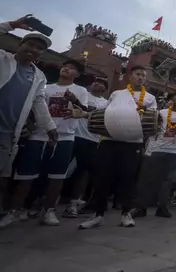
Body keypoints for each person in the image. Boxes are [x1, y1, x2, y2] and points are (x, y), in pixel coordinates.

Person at [5, 59, 87, 227]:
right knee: (26, 176)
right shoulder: (45, 88)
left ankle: (49, 210)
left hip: (65, 137)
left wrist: (75, 105)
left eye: (72, 68)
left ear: (77, 75)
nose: (66, 69)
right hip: (38, 135)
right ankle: (15, 211)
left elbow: (84, 112)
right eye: (65, 66)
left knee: (57, 177)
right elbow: (32, 109)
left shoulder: (80, 91)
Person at [79, 65, 157, 229]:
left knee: (128, 178)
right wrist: (85, 114)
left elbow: (152, 121)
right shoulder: (117, 94)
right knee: (102, 177)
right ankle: (98, 214)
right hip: (110, 139)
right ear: (130, 76)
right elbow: (106, 113)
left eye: (143, 75)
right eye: (138, 74)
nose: (141, 77)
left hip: (133, 142)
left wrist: (143, 113)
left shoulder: (149, 98)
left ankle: (126, 213)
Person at [0, 15, 58, 227]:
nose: (33, 50)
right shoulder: (3, 58)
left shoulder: (39, 76)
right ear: (20, 44)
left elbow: (39, 102)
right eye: (30, 44)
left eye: (38, 48)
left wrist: (50, 127)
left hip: (7, 133)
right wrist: (13, 25)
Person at [132, 92, 176, 218]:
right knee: (148, 178)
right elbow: (150, 127)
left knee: (167, 180)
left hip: (174, 151)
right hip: (156, 148)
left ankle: (162, 207)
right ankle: (141, 207)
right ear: (171, 99)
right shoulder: (161, 112)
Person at [63, 77, 109, 218]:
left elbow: (95, 115)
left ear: (104, 88)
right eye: (95, 81)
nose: (97, 83)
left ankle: (73, 204)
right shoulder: (83, 95)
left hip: (91, 139)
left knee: (82, 172)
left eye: (101, 82)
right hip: (72, 135)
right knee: (60, 169)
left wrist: (76, 102)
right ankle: (45, 201)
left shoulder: (106, 103)